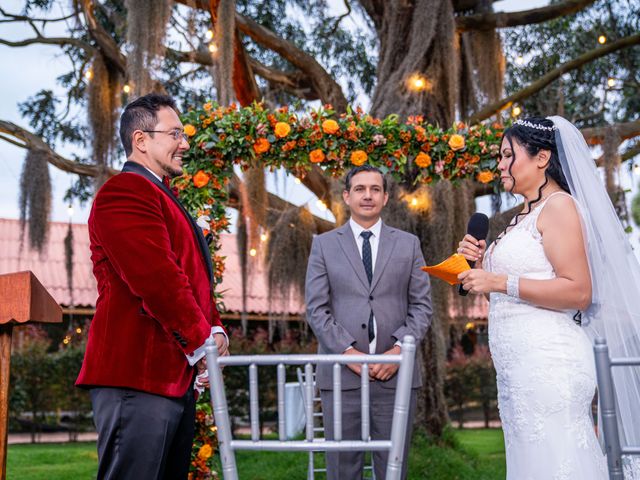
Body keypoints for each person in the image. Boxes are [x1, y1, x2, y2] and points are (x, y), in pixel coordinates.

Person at [456, 115, 640, 478]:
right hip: (517, 370)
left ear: (542, 158)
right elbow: (505, 289)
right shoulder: (521, 216)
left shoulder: (559, 206)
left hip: (550, 364)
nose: (501, 165)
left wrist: (497, 280)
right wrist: (473, 268)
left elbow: (579, 290)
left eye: (509, 155)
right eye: (499, 156)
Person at [76, 93, 228, 479]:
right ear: (141, 140)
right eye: (175, 133)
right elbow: (158, 279)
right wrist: (201, 342)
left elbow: (191, 277)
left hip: (171, 379)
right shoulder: (125, 192)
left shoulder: (163, 196)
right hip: (136, 376)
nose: (186, 143)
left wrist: (214, 327)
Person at [305, 165, 432, 480]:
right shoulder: (324, 245)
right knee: (342, 468)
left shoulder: (409, 244)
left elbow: (422, 305)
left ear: (386, 197)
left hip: (395, 376)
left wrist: (400, 351)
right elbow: (316, 309)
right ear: (346, 196)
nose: (368, 195)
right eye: (360, 189)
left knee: (393, 466)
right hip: (341, 376)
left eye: (375, 189)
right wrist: (348, 354)